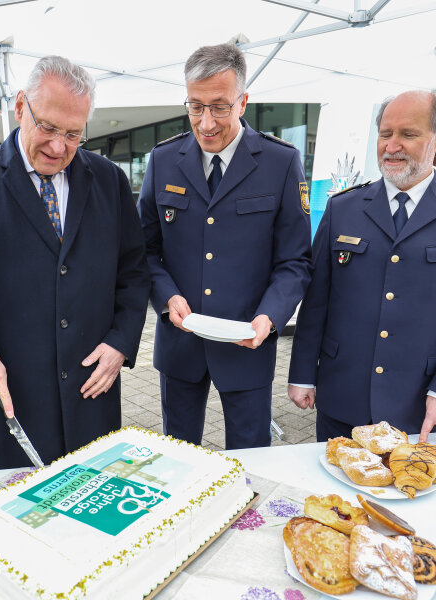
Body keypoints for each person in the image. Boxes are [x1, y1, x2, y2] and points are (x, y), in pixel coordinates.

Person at [0, 55, 150, 470]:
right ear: (21, 107)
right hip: (12, 397)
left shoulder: (110, 180)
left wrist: (121, 342)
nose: (59, 147)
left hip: (91, 393)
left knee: (96, 515)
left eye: (73, 134)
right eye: (47, 127)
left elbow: (133, 272)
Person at [138, 41, 312, 450]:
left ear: (243, 102)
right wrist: (166, 297)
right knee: (179, 459)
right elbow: (143, 250)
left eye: (219, 106)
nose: (207, 122)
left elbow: (295, 261)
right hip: (180, 345)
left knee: (251, 460)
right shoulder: (163, 160)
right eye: (195, 107)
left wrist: (269, 318)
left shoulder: (279, 162)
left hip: (247, 343)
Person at [288, 90, 436, 443]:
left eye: (408, 134)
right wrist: (302, 374)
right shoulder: (344, 208)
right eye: (385, 134)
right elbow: (317, 300)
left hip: (419, 406)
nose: (392, 145)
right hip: (342, 396)